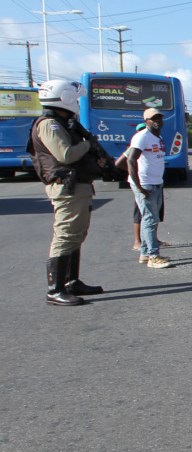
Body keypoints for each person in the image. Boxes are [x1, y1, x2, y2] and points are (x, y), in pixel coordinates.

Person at [30, 79, 105, 305]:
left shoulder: (63, 123)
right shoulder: (50, 124)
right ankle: (55, 289)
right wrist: (88, 144)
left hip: (77, 186)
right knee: (65, 236)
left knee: (76, 234)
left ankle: (71, 281)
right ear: (66, 98)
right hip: (66, 187)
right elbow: (66, 155)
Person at [127, 108, 173, 269]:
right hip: (145, 184)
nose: (158, 121)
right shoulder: (142, 137)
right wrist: (138, 186)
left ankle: (145, 254)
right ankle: (154, 256)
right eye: (154, 118)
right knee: (149, 220)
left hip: (156, 182)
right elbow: (131, 160)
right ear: (146, 121)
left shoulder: (157, 137)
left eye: (159, 118)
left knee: (151, 219)